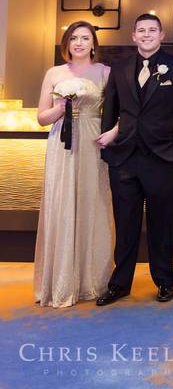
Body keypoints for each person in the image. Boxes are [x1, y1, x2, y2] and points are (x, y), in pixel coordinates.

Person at [95, 13, 173, 305]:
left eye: (153, 30)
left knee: (161, 224)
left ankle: (164, 281)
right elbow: (110, 111)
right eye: (141, 30)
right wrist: (108, 144)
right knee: (125, 223)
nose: (147, 34)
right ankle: (119, 284)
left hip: (162, 157)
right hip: (124, 158)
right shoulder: (120, 68)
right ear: (133, 36)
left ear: (162, 34)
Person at [33, 21, 113, 307]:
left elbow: (117, 112)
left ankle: (92, 279)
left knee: (92, 203)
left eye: (85, 38)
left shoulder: (105, 72)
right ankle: (61, 278)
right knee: (62, 203)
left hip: (93, 142)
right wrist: (61, 106)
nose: (79, 43)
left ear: (94, 43)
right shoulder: (54, 73)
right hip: (61, 144)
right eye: (73, 38)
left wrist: (112, 133)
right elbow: (41, 118)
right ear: (66, 44)